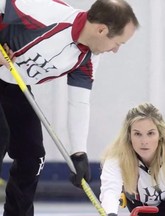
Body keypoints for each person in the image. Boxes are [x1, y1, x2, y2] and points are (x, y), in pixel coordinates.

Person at [0, 0, 139, 215]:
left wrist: (79, 153)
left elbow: (79, 102)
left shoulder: (89, 57)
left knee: (32, 156)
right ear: (101, 30)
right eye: (117, 43)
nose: (115, 51)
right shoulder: (48, 12)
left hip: (12, 82)